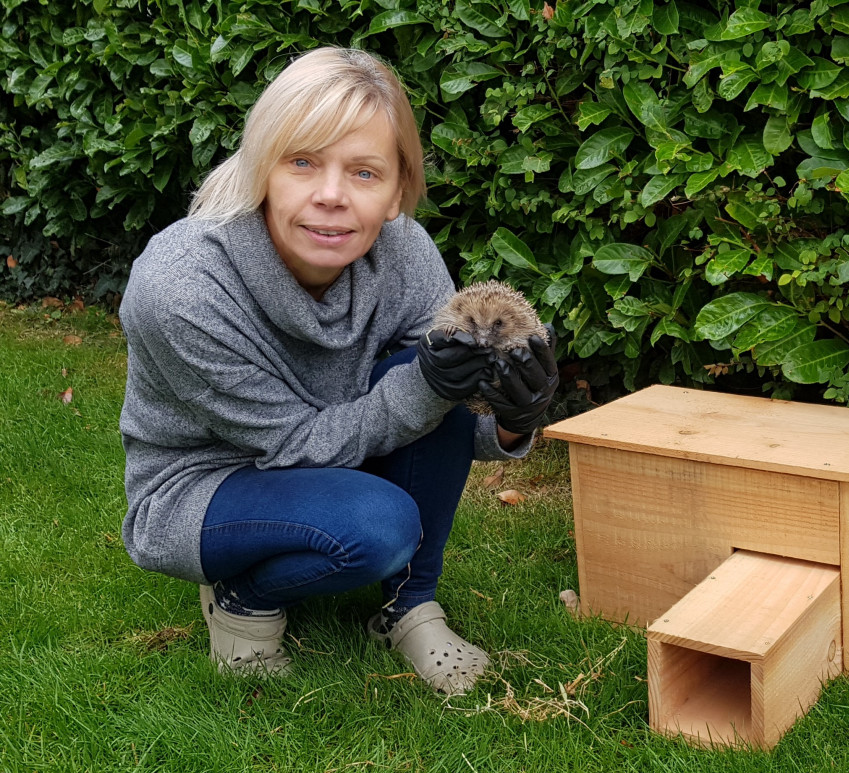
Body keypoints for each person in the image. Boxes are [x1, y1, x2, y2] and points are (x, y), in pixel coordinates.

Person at [118, 46, 558, 695]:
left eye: (363, 172)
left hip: (336, 449)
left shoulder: (404, 251)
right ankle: (242, 595)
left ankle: (409, 605)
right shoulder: (180, 286)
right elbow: (291, 444)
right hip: (206, 484)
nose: (330, 196)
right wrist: (427, 387)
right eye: (302, 162)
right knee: (377, 525)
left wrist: (514, 420)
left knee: (436, 359)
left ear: (397, 190)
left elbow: (436, 410)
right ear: (261, 167)